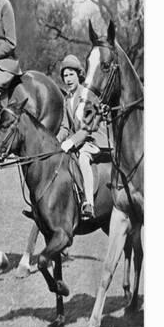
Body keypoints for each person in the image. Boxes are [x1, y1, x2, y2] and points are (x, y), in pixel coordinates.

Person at [57, 54, 108, 219]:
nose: (68, 79)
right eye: (65, 75)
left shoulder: (87, 96)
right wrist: (57, 142)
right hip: (78, 141)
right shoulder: (67, 99)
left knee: (83, 159)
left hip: (93, 139)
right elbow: (65, 126)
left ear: (79, 75)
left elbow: (86, 129)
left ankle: (89, 204)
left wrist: (71, 141)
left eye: (71, 74)